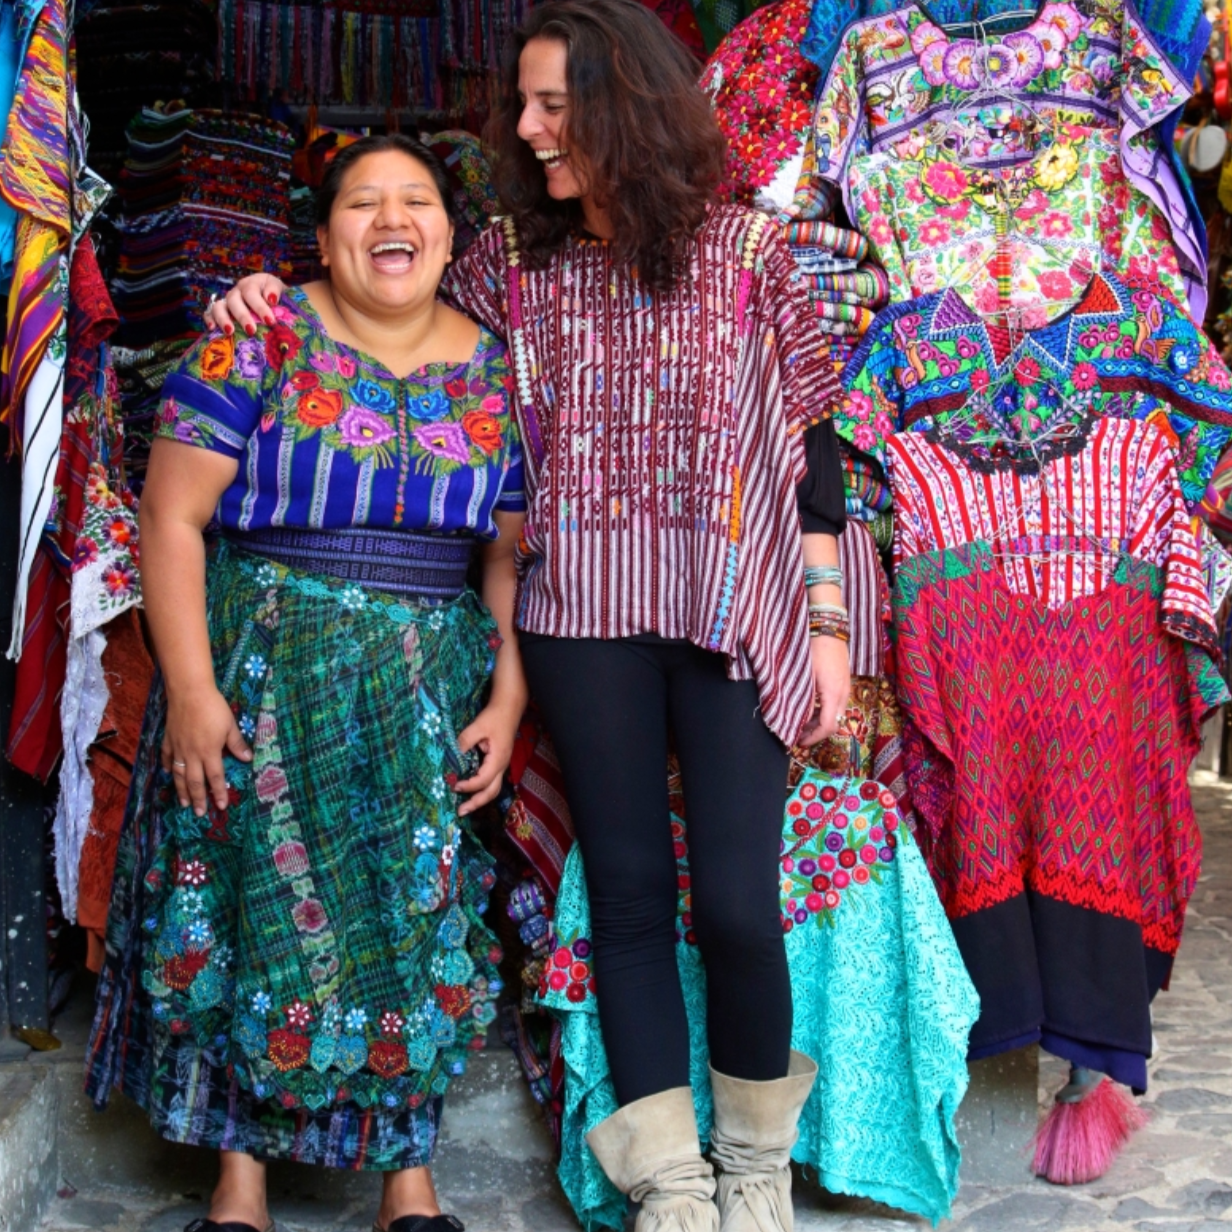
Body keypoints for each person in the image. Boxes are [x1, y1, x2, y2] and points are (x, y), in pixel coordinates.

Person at [207, 2, 850, 1228]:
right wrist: (263, 299)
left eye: (553, 104)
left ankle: (754, 1167)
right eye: (525, 104)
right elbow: (382, 305)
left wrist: (824, 627)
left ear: (625, 106)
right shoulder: (513, 263)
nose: (527, 127)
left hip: (729, 602)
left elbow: (815, 458)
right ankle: (667, 1177)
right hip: (578, 610)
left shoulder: (749, 254)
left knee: (731, 898)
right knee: (621, 890)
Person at [87, 134, 527, 1232]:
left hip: (426, 691)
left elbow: (509, 558)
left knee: (413, 910)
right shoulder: (256, 342)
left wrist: (509, 692)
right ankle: (240, 1188)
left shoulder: (500, 371)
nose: (392, 220)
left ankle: (405, 1185)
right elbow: (172, 519)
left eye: (415, 200)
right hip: (262, 675)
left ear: (447, 229)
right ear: (322, 235)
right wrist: (190, 689)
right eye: (363, 203)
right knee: (242, 902)